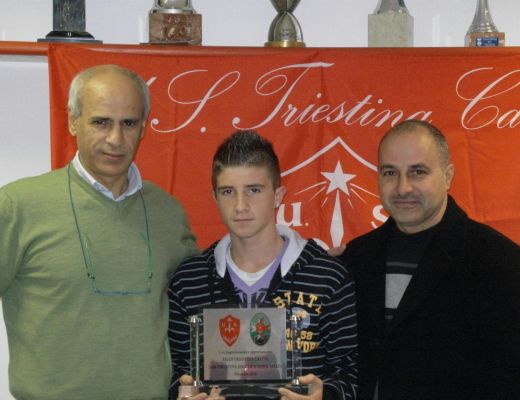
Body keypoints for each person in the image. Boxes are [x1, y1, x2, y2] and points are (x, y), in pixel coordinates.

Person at [0, 64, 198, 400]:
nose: (115, 139)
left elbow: (197, 307)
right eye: (101, 122)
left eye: (128, 123)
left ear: (144, 128)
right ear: (72, 121)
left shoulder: (168, 212)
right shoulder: (16, 207)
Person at [337, 120, 520, 399]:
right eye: (390, 173)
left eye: (418, 172)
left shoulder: (500, 262)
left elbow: (508, 379)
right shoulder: (356, 258)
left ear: (448, 176)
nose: (403, 188)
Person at [168, 130, 358, 400]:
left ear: (278, 195)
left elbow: (353, 372)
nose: (240, 206)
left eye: (254, 190)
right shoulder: (188, 282)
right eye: (228, 192)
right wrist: (184, 393)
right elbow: (174, 372)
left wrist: (325, 396)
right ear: (214, 197)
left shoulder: (328, 277)